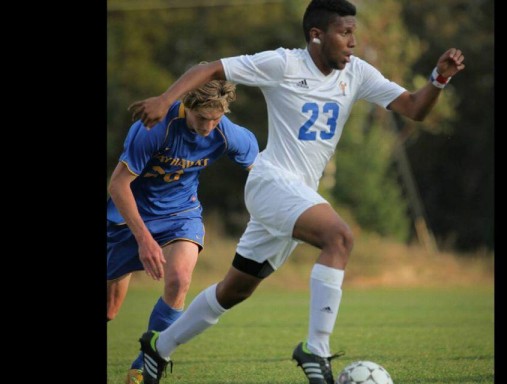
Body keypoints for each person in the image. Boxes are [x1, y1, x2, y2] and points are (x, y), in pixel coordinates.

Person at [128, 1, 465, 383]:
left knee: (233, 291)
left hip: (296, 194)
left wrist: (439, 79)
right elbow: (209, 69)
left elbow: (414, 107)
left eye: (354, 32)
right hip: (271, 182)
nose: (353, 41)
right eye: (345, 33)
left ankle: (159, 347)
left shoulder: (357, 73)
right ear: (316, 36)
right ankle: (315, 349)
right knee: (339, 237)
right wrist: (165, 100)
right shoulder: (283, 64)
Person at [107, 79, 259, 384]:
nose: (208, 126)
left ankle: (144, 365)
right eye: (202, 118)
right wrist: (144, 240)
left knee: (179, 280)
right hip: (130, 215)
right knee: (110, 311)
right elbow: (118, 185)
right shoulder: (154, 127)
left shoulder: (228, 134)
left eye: (215, 119)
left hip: (180, 213)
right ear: (187, 106)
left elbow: (262, 174)